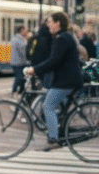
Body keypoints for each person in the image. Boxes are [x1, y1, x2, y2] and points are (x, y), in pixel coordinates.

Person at [24, 11, 84, 151]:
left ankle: (53, 139)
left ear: (58, 23)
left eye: (50, 22)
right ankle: (61, 129)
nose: (48, 25)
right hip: (69, 79)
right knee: (55, 104)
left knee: (48, 106)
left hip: (66, 81)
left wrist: (35, 69)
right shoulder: (66, 37)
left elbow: (53, 62)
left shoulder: (61, 39)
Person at [27, 21, 52, 88]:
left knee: (34, 81)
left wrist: (30, 59)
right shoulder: (49, 38)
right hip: (45, 64)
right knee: (46, 83)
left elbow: (30, 52)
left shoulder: (34, 39)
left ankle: (33, 90)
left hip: (34, 64)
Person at [10, 25, 29, 94]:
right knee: (19, 77)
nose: (26, 32)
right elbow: (23, 51)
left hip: (18, 62)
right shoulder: (18, 40)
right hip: (18, 62)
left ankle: (21, 90)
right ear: (21, 31)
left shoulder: (16, 38)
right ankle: (14, 90)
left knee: (22, 78)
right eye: (24, 30)